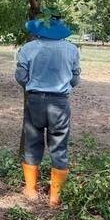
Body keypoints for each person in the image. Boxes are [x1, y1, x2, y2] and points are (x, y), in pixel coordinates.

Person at [15, 13, 81, 207]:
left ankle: (31, 191)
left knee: (32, 142)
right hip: (60, 102)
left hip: (35, 100)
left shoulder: (28, 48)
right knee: (59, 146)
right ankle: (55, 197)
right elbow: (75, 79)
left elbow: (20, 75)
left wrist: (33, 84)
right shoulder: (72, 49)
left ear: (40, 29)